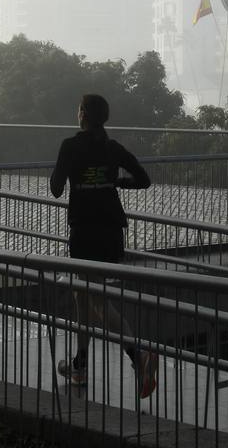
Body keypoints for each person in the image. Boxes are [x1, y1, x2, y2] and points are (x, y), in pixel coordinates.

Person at [49, 93, 157, 399]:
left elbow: (56, 189)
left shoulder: (70, 146)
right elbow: (144, 180)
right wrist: (114, 183)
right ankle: (80, 366)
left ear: (82, 114)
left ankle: (140, 357)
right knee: (83, 296)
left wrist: (66, 171)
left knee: (96, 300)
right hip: (110, 231)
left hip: (84, 231)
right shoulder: (112, 148)